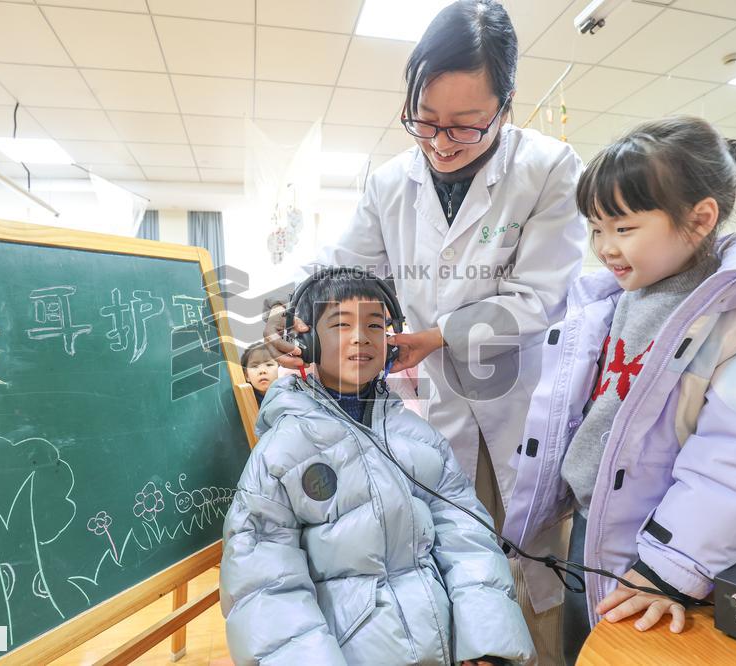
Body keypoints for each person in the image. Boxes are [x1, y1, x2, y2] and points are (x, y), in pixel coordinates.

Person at [264, 4, 586, 659]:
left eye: (465, 126)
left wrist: (435, 336)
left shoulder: (548, 168)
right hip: (435, 410)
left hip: (517, 404)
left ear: (506, 107)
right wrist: (287, 305)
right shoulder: (391, 182)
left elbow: (541, 298)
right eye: (425, 121)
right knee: (449, 563)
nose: (441, 143)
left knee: (529, 579)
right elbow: (343, 264)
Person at [501, 116, 736, 664]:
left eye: (623, 228)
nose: (605, 248)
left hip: (687, 554)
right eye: (596, 229)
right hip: (595, 524)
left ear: (700, 219)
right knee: (581, 649)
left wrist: (671, 569)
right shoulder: (616, 300)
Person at [220, 271, 535, 665]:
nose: (361, 337)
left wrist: (486, 641)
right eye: (341, 325)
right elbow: (264, 586)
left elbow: (467, 538)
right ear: (306, 344)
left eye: (374, 325)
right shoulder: (282, 452)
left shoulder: (421, 438)